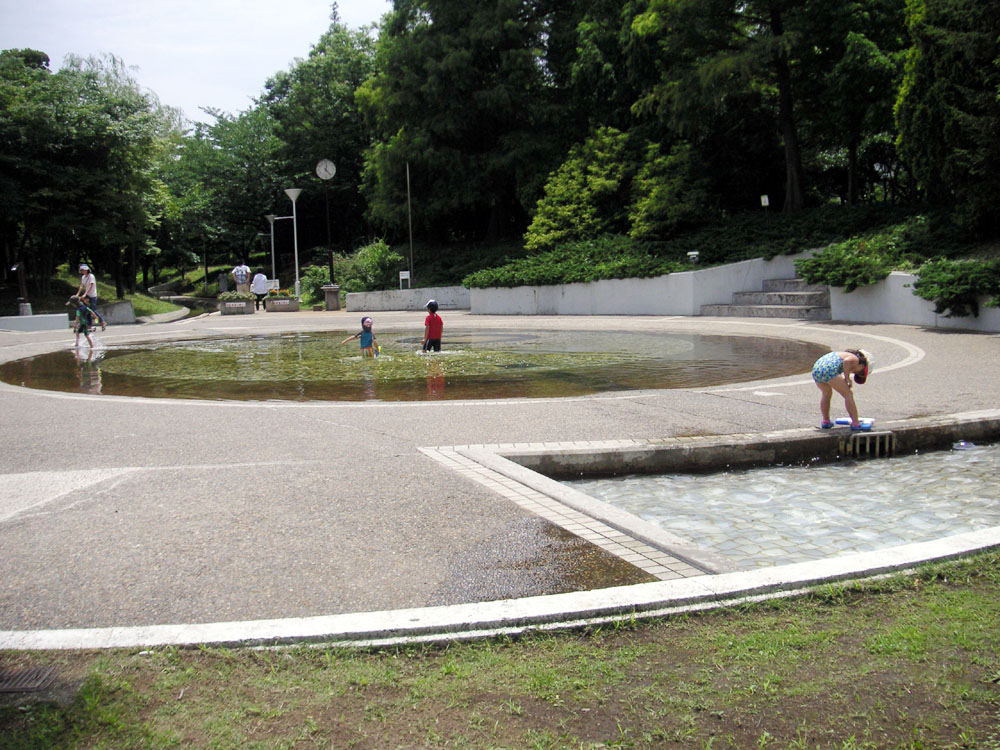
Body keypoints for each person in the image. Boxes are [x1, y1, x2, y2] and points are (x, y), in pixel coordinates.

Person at [812, 349, 872, 431]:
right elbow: (847, 361)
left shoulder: (842, 354)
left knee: (826, 393)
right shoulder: (855, 359)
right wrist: (847, 378)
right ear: (864, 362)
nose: (855, 373)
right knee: (848, 394)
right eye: (861, 372)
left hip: (817, 369)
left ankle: (826, 421)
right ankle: (856, 423)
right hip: (829, 370)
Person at [75, 263, 107, 329]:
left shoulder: (91, 276)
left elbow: (90, 285)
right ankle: (89, 325)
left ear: (87, 270)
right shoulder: (83, 277)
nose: (83, 271)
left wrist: (85, 294)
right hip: (87, 296)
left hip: (92, 296)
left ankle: (102, 322)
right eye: (82, 270)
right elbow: (81, 286)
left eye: (84, 270)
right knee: (87, 311)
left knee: (93, 310)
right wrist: (77, 294)